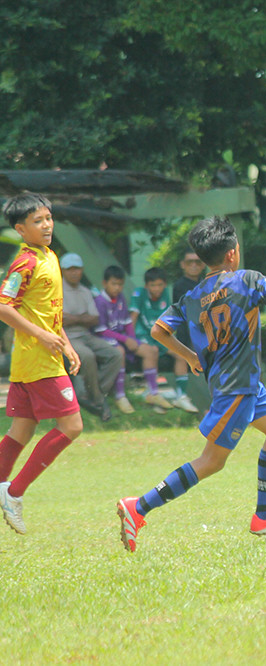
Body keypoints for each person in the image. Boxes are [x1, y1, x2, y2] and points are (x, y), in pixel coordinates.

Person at [116, 215, 266, 552]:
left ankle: (264, 515)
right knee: (211, 461)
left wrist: (191, 356)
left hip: (243, 384)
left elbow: (157, 331)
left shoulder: (193, 296)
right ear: (231, 254)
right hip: (236, 388)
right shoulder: (246, 281)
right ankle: (138, 508)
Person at [0, 192, 83, 534]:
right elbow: (4, 307)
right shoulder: (25, 263)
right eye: (38, 221)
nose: (47, 225)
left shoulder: (49, 255)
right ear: (21, 229)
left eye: (49, 218)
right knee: (72, 427)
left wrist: (64, 342)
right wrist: (46, 338)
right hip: (38, 362)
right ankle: (14, 493)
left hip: (41, 356)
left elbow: (45, 309)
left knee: (22, 430)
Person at [94, 265, 174, 413]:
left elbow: (127, 322)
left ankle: (153, 392)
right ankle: (120, 395)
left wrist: (132, 339)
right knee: (119, 352)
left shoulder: (120, 298)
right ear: (104, 283)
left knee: (150, 351)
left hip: (122, 338)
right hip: (105, 339)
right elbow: (101, 330)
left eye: (120, 284)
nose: (117, 288)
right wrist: (126, 340)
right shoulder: (100, 301)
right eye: (113, 284)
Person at [61, 252, 122, 421]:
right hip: (68, 338)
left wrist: (73, 318)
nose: (74, 273)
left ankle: (91, 393)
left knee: (115, 355)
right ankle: (98, 400)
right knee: (87, 356)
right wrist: (82, 318)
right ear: (63, 271)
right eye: (70, 269)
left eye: (77, 269)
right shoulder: (56, 290)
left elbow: (94, 318)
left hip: (86, 335)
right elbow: (60, 321)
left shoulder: (86, 291)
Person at [131, 267, 198, 413]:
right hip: (144, 337)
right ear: (146, 285)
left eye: (160, 285)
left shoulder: (165, 295)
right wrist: (131, 340)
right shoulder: (139, 294)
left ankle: (181, 396)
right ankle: (153, 392)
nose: (157, 288)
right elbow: (133, 318)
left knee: (181, 354)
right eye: (153, 285)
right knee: (152, 351)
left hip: (159, 337)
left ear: (164, 285)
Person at [171, 251, 206, 408]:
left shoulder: (205, 283)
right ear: (182, 265)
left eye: (198, 262)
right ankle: (182, 395)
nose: (194, 265)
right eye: (190, 261)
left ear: (203, 264)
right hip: (188, 332)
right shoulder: (180, 285)